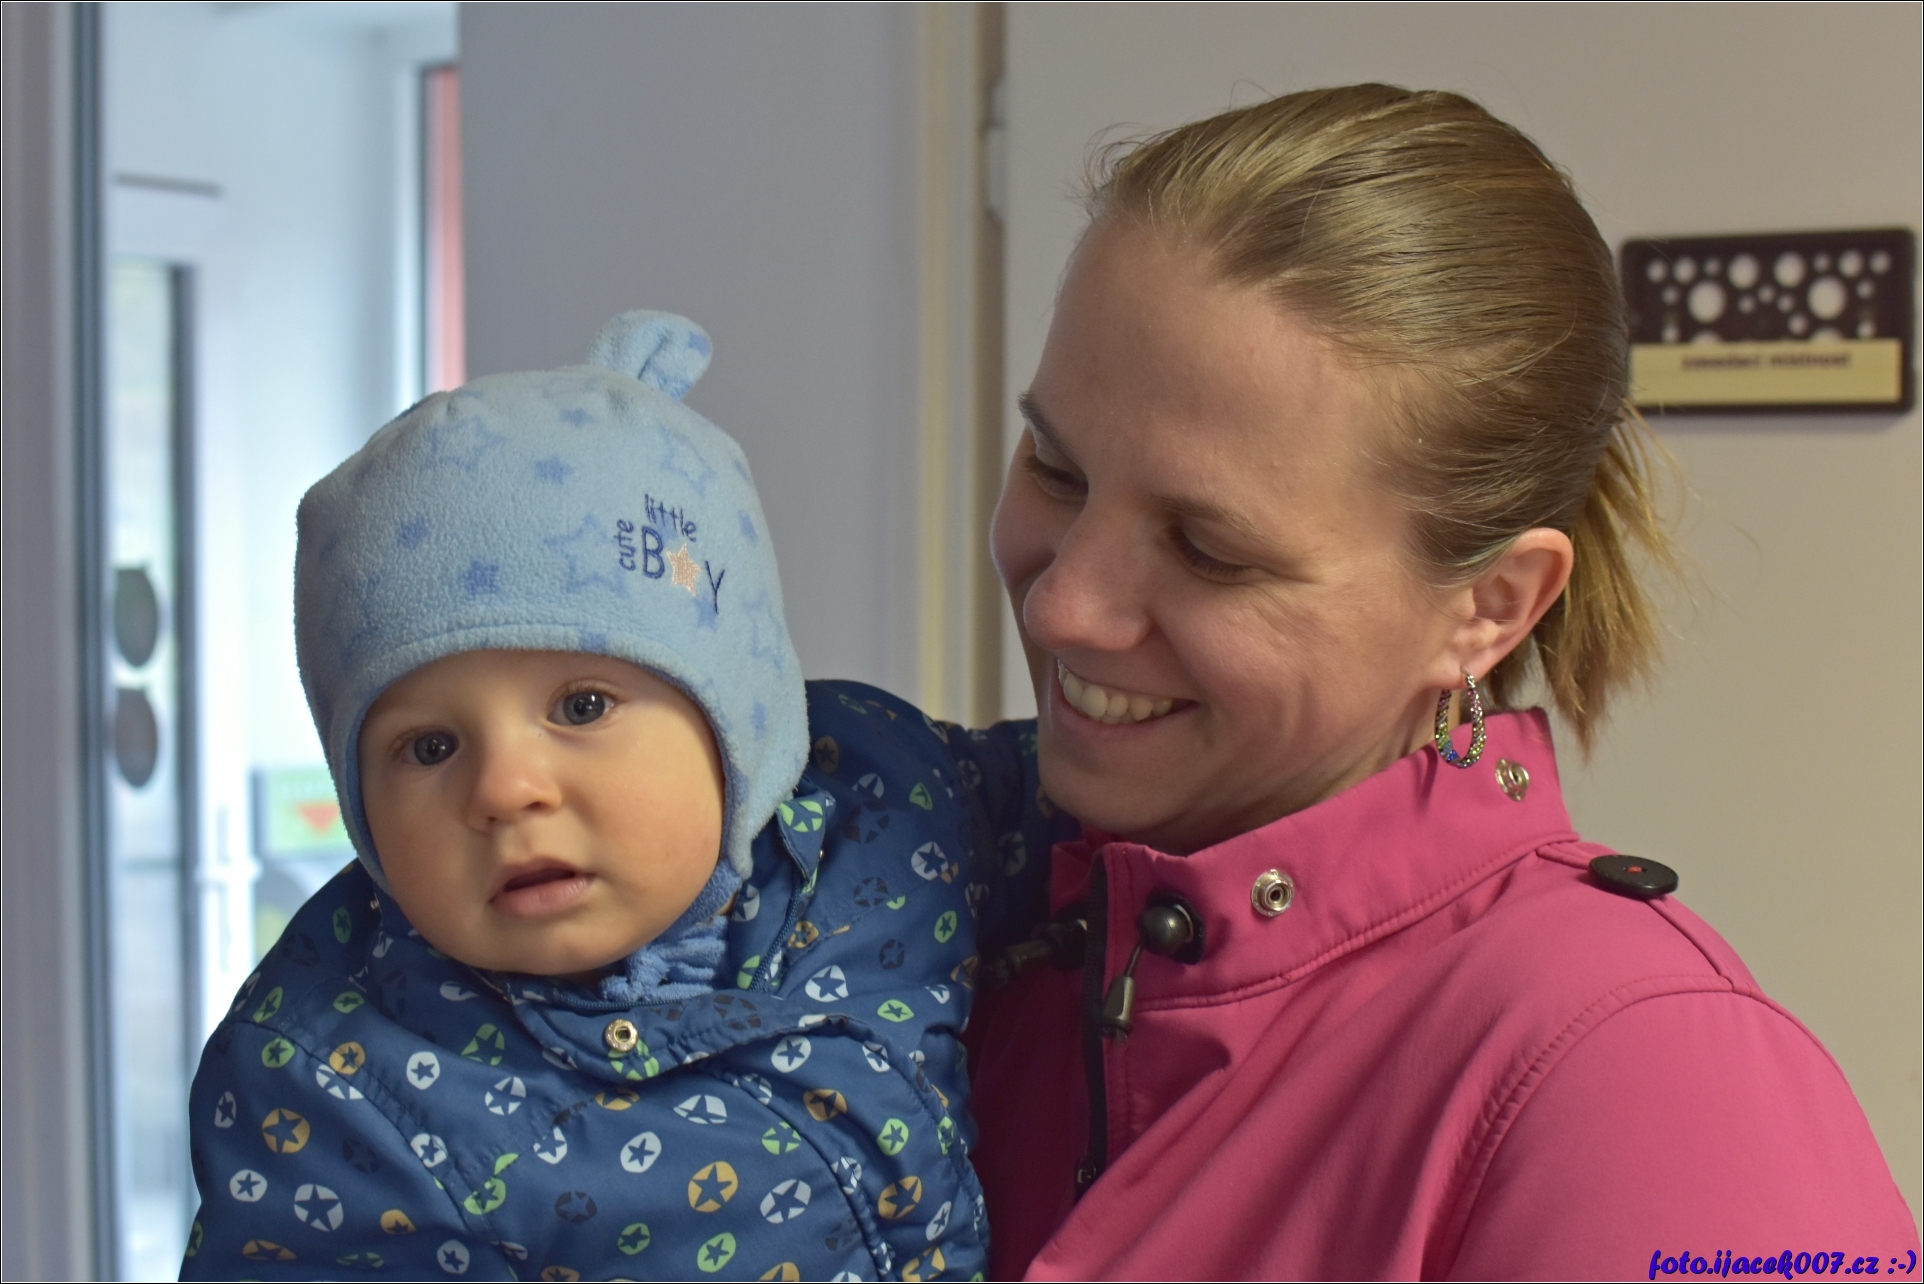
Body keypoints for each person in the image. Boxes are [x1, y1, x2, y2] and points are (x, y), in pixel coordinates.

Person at [963, 85, 1922, 1279]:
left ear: (1489, 606)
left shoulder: (1641, 1072)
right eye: (1055, 469)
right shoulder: (945, 934)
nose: (1061, 607)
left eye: (1209, 550)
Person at [180, 312, 1066, 1281]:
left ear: (738, 718)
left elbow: (1113, 815)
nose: (505, 791)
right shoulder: (333, 1086)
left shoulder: (889, 803)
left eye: (583, 705)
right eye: (428, 747)